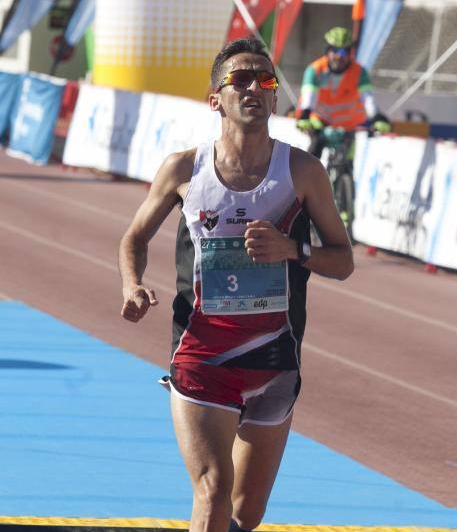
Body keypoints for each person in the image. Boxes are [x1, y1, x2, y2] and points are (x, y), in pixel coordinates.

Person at [118, 37, 354, 532]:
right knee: (213, 490)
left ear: (275, 98)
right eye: (240, 79)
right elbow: (134, 238)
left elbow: (343, 260)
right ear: (215, 99)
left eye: (265, 80)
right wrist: (132, 284)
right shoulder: (184, 169)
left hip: (275, 359)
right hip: (202, 356)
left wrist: (293, 250)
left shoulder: (303, 172)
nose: (253, 87)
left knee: (246, 513)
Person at [296, 26, 390, 158]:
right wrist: (304, 115)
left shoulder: (360, 73)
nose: (339, 56)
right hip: (319, 119)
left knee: (347, 162)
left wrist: (377, 117)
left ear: (350, 52)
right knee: (315, 147)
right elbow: (309, 96)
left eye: (344, 51)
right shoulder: (314, 70)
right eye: (335, 50)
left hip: (349, 126)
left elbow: (368, 99)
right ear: (327, 51)